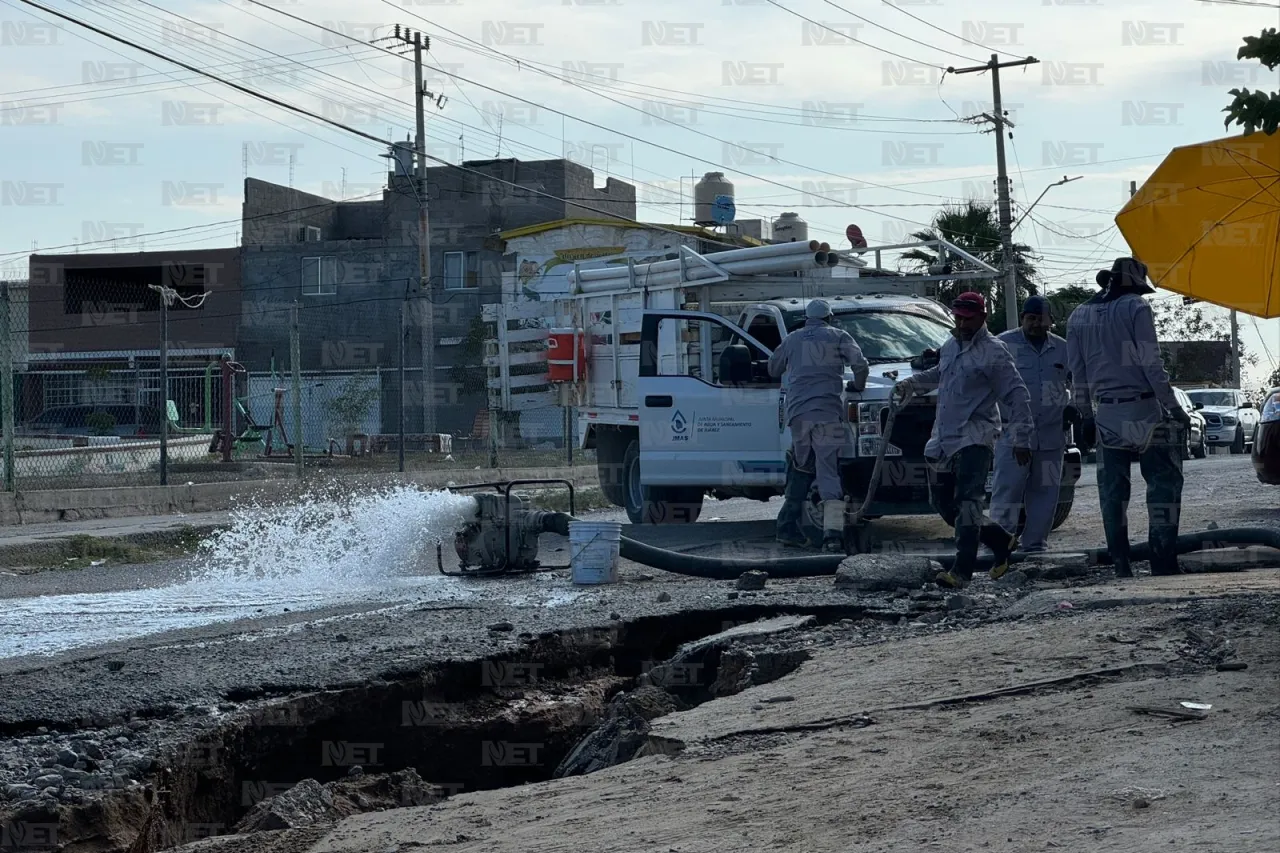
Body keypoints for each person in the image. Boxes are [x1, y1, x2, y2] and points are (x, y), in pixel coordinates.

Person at [892, 291, 1035, 587]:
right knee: (944, 504)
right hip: (945, 437)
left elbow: (1016, 394)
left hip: (976, 436)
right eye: (958, 317)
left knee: (968, 501)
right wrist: (911, 383)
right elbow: (939, 374)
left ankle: (962, 570)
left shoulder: (995, 351)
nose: (962, 322)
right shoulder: (949, 346)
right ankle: (1000, 541)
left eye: (968, 318)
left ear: (982, 317)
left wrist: (1023, 437)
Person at [1066, 257, 1190, 578]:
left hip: (1106, 412)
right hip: (1146, 409)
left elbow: (1077, 375)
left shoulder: (1078, 315)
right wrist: (1174, 408)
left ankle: (1121, 563)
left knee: (1112, 493)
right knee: (1163, 484)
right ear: (1134, 284)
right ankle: (1162, 562)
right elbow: (1151, 365)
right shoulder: (1136, 307)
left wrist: (1085, 415)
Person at [769, 299, 869, 553]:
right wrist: (857, 386)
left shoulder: (793, 339)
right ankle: (832, 535)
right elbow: (861, 365)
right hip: (827, 414)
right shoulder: (838, 335)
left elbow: (772, 368)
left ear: (807, 318)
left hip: (799, 414)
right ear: (829, 318)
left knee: (802, 466)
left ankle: (786, 528)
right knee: (827, 471)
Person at [990, 295, 1076, 554]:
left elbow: (1077, 381)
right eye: (1031, 318)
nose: (1037, 324)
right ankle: (997, 550)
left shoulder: (1063, 348)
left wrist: (1074, 407)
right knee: (1007, 492)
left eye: (1042, 319)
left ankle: (1035, 547)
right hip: (1013, 433)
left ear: (1051, 320)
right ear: (1023, 318)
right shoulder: (1003, 344)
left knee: (1046, 493)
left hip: (1051, 434)